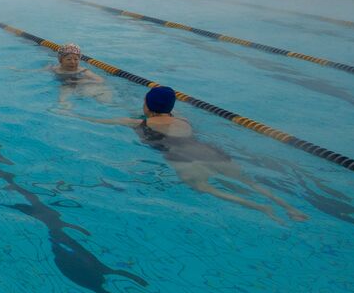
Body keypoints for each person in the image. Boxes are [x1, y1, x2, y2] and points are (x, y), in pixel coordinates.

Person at [90, 86, 305, 222]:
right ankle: (289, 207)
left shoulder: (138, 122)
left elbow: (99, 121)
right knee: (249, 181)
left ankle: (260, 207)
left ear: (146, 106)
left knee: (203, 186)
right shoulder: (182, 119)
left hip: (180, 155)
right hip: (207, 150)